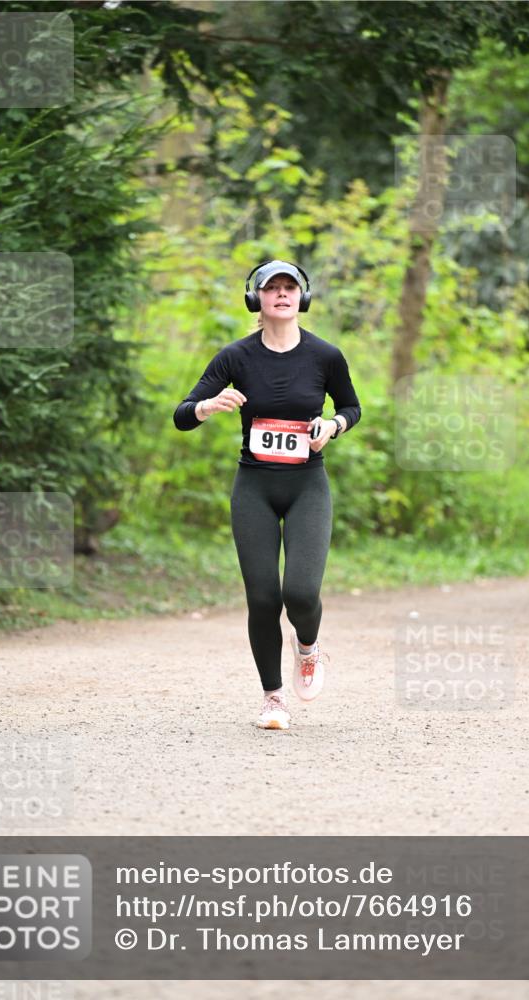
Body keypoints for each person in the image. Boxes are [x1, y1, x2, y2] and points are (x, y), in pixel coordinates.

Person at [173, 259, 361, 730]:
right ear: (255, 299)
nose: (281, 294)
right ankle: (273, 699)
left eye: (290, 287)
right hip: (254, 487)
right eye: (271, 287)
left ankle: (309, 647)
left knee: (299, 592)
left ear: (303, 297)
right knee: (262, 598)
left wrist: (333, 425)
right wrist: (207, 406)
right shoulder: (235, 357)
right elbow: (181, 413)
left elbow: (351, 407)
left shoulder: (325, 356)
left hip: (306, 486)